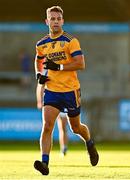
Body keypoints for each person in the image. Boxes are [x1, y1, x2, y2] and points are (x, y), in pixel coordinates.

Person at [34, 6, 99, 175]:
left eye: (58, 19)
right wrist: (39, 74)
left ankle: (90, 143)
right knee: (47, 126)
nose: (55, 21)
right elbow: (38, 60)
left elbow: (80, 63)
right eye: (52, 19)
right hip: (52, 91)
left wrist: (59, 66)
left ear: (62, 21)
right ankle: (45, 163)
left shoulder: (71, 41)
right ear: (47, 22)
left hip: (71, 91)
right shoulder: (41, 44)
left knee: (75, 128)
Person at [36, 83, 68, 156]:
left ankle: (64, 148)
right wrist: (40, 101)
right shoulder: (46, 72)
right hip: (50, 101)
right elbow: (40, 85)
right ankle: (45, 153)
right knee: (47, 127)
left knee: (62, 127)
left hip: (63, 100)